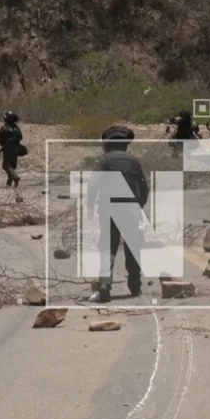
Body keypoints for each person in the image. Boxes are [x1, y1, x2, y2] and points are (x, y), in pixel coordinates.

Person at [86, 126, 149, 303]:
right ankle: (135, 285)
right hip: (130, 210)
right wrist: (139, 206)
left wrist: (90, 205)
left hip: (108, 209)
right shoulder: (134, 162)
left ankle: (105, 285)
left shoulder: (104, 160)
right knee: (133, 247)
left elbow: (93, 184)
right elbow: (144, 187)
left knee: (108, 247)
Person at [0, 111, 23, 187]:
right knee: (12, 166)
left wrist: (4, 144)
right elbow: (21, 137)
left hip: (8, 149)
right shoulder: (16, 128)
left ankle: (15, 177)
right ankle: (9, 184)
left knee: (5, 166)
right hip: (16, 149)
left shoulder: (4, 127)